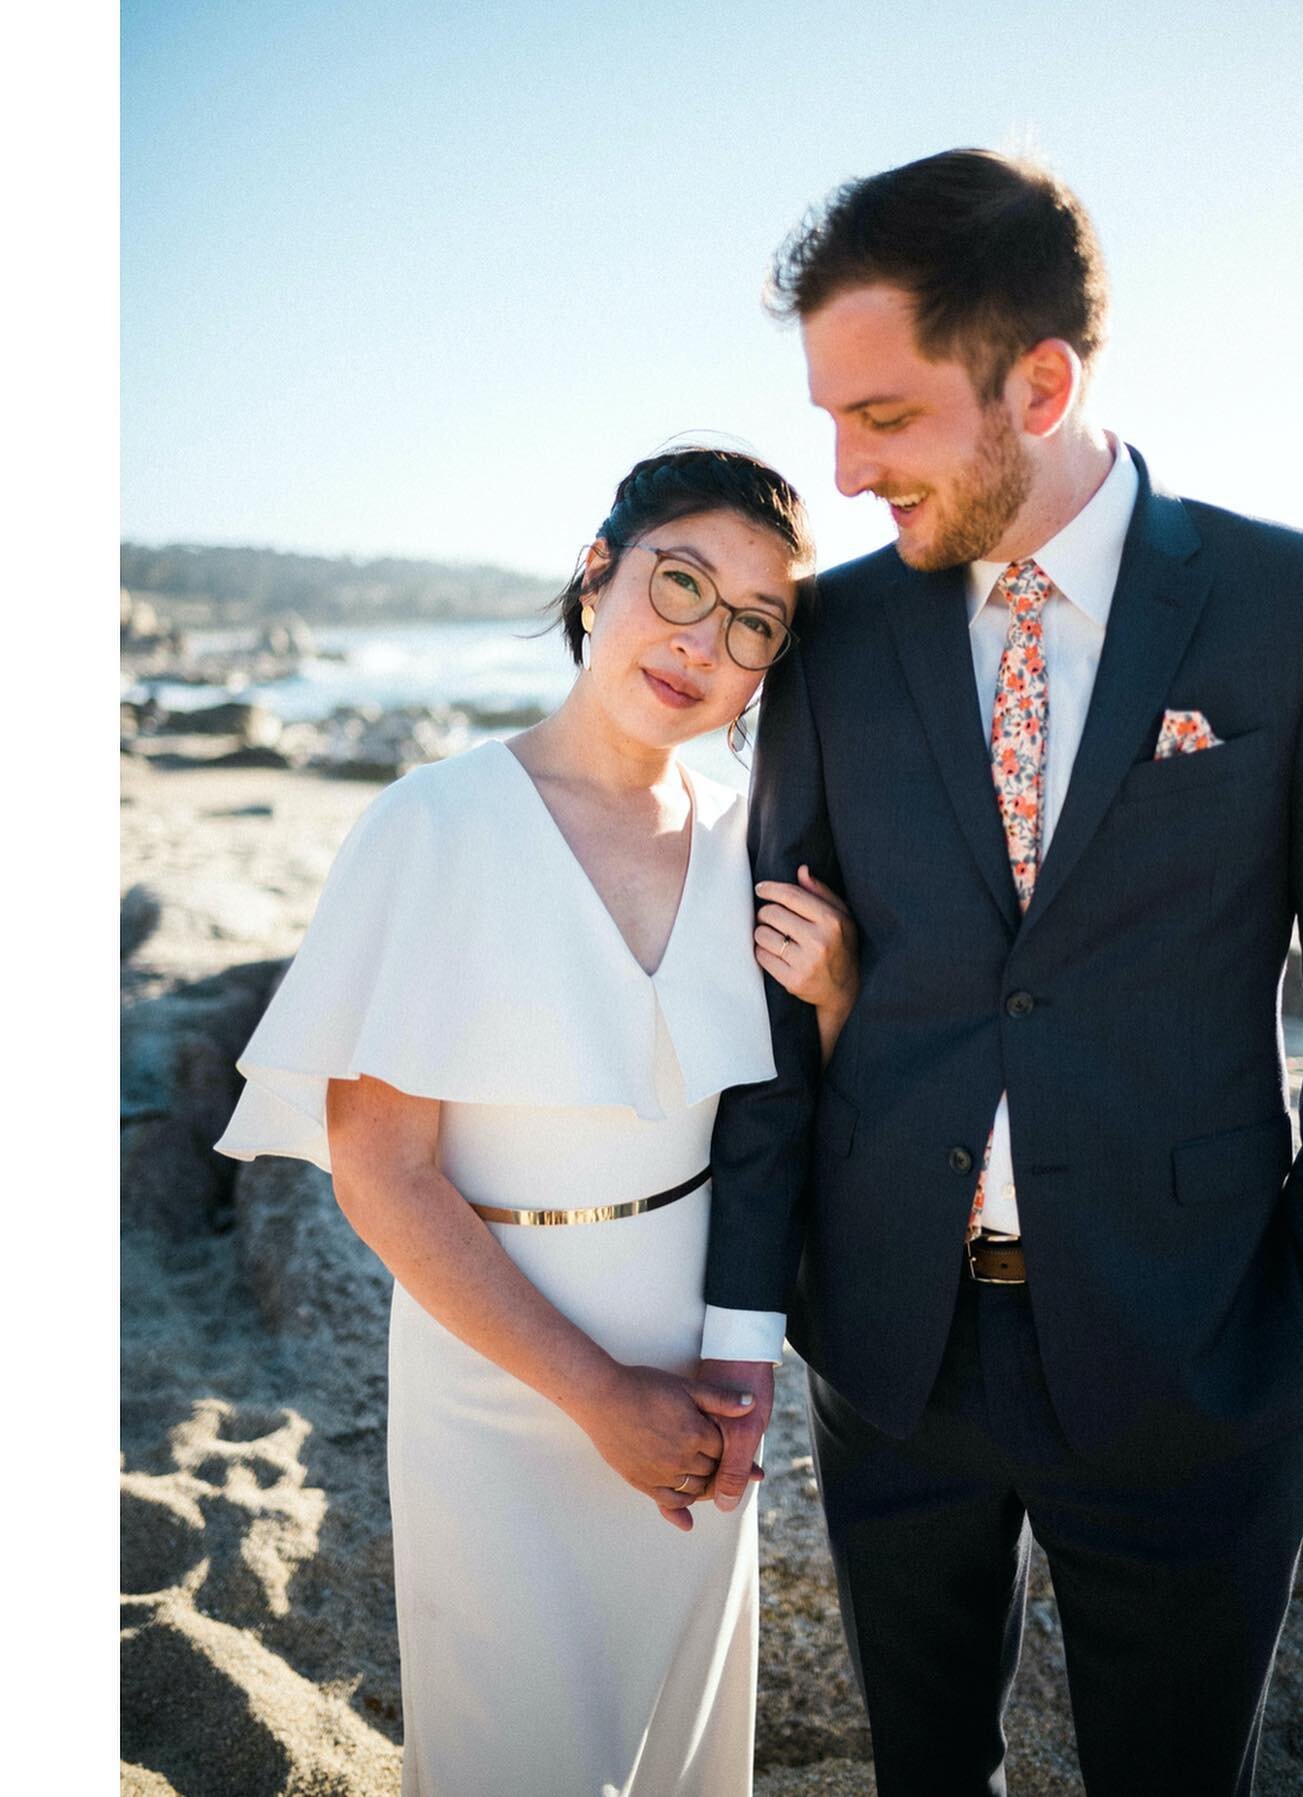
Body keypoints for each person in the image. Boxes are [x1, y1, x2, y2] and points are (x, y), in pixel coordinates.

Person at [700, 149, 1303, 1796]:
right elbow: (774, 999)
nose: (840, 471)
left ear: (1038, 381)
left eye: (884, 417)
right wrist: (747, 1319)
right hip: (891, 1350)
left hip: (1198, 1348)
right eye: (829, 417)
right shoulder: (830, 638)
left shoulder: (1300, 609)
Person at [215, 447, 860, 1797]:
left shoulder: (759, 831)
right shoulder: (433, 824)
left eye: (753, 622)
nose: (704, 639)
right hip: (495, 1378)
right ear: (597, 571)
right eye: (680, 580)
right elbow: (382, 1172)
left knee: (684, 1743)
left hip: (705, 1362)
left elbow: (797, 1119)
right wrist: (594, 1393)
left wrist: (843, 991)